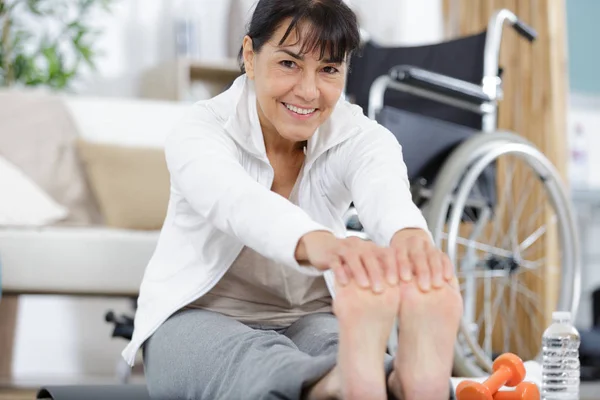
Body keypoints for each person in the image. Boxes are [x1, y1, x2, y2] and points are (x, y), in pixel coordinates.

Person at [122, 0, 463, 399]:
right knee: (251, 357)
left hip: (309, 315)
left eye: (329, 70)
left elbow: (385, 191)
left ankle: (393, 380)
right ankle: (349, 382)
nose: (308, 91)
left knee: (336, 346)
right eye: (289, 63)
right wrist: (321, 243)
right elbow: (237, 202)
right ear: (250, 56)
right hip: (197, 315)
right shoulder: (200, 130)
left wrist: (410, 242)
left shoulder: (359, 136)